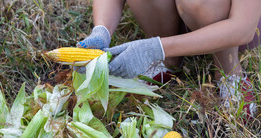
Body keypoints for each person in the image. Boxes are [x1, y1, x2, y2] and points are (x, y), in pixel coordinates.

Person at [77, 0, 261, 118]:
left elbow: (243, 28)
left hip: (225, 16)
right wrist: (101, 31)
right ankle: (169, 60)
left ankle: (229, 71)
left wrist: (153, 48)